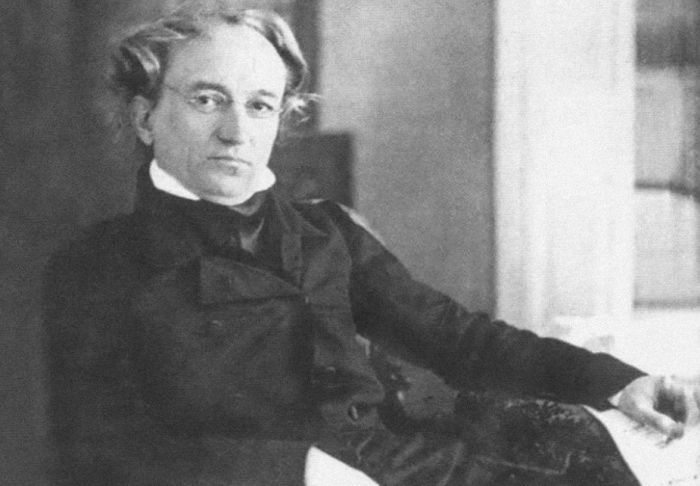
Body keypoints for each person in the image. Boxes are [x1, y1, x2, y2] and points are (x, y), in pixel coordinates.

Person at [43, 4, 699, 485]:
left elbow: (459, 340)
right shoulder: (95, 268)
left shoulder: (326, 232)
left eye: (261, 105)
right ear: (145, 117)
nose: (236, 131)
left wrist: (617, 383)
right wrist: (302, 472)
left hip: (414, 467)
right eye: (208, 99)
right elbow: (101, 454)